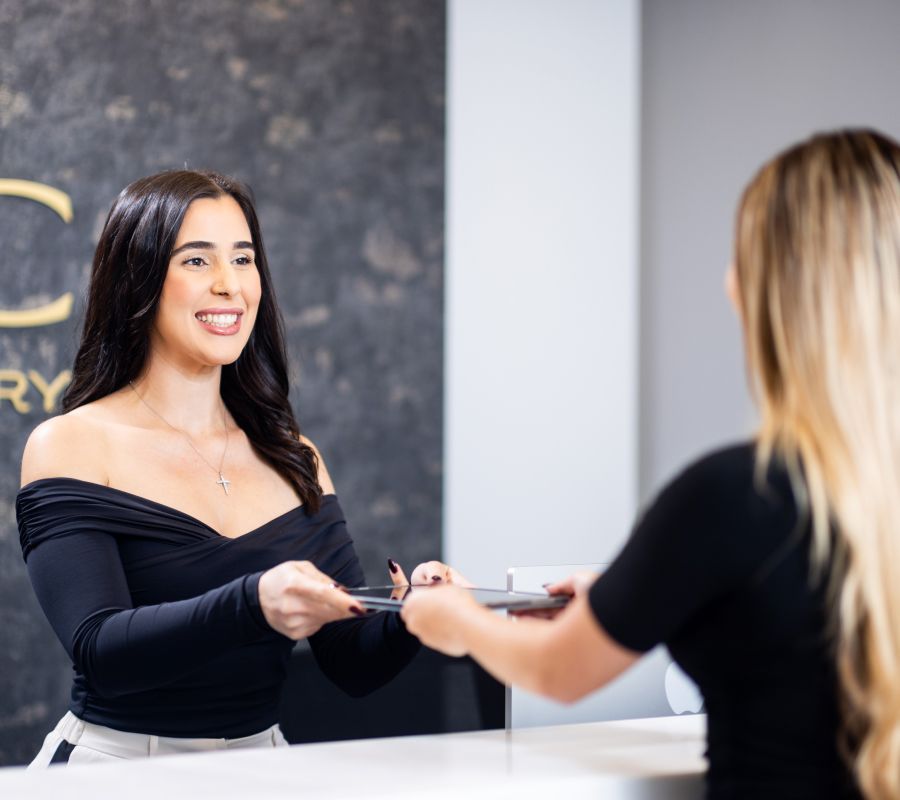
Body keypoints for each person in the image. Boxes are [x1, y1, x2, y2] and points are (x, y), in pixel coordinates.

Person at [401, 129, 900, 799]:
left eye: (740, 257)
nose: (728, 283)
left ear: (780, 292)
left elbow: (558, 673)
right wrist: (647, 587)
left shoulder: (733, 495)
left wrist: (456, 618)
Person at [16, 169, 457, 767]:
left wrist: (412, 616)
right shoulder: (70, 444)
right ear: (138, 279)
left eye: (243, 259)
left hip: (262, 763)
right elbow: (102, 653)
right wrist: (254, 602)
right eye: (197, 262)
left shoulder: (293, 455)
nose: (230, 286)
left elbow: (350, 662)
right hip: (115, 768)